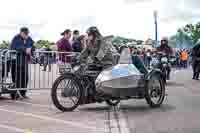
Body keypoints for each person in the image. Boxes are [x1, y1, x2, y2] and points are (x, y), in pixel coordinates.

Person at [10, 27, 34, 99]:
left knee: (25, 78)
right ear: (21, 32)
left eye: (27, 33)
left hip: (24, 61)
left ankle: (23, 93)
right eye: (25, 33)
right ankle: (16, 93)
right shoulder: (16, 38)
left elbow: (33, 45)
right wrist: (25, 49)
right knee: (17, 78)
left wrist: (31, 48)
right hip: (16, 62)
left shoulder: (29, 38)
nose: (26, 35)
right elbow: (14, 47)